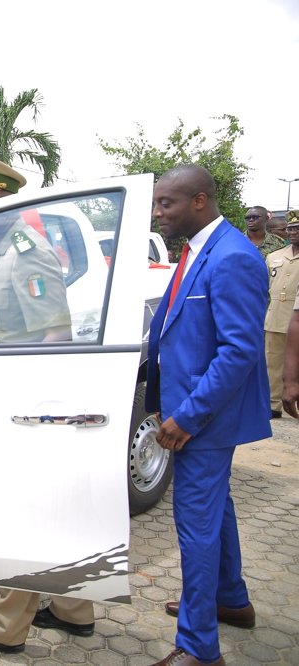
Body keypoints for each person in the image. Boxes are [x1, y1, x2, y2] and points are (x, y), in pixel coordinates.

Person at [0, 153, 94, 656]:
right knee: (52, 514)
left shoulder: (27, 251)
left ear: (2, 207)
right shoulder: (1, 250)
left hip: (30, 406)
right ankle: (73, 611)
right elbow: (7, 329)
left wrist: (33, 408)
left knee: (23, 519)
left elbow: (56, 332)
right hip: (18, 397)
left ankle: (3, 631)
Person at [145, 164, 268, 666]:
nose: (158, 213)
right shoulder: (199, 249)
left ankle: (198, 646)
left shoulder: (233, 257)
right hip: (196, 412)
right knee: (217, 512)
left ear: (199, 201)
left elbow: (239, 351)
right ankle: (230, 601)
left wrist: (188, 417)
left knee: (195, 525)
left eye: (166, 204)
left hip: (205, 420)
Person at [263, 217, 299, 418]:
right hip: (275, 314)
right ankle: (272, 404)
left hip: (297, 314)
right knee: (272, 362)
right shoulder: (274, 256)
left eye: (297, 229)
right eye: (291, 229)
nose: (293, 233)